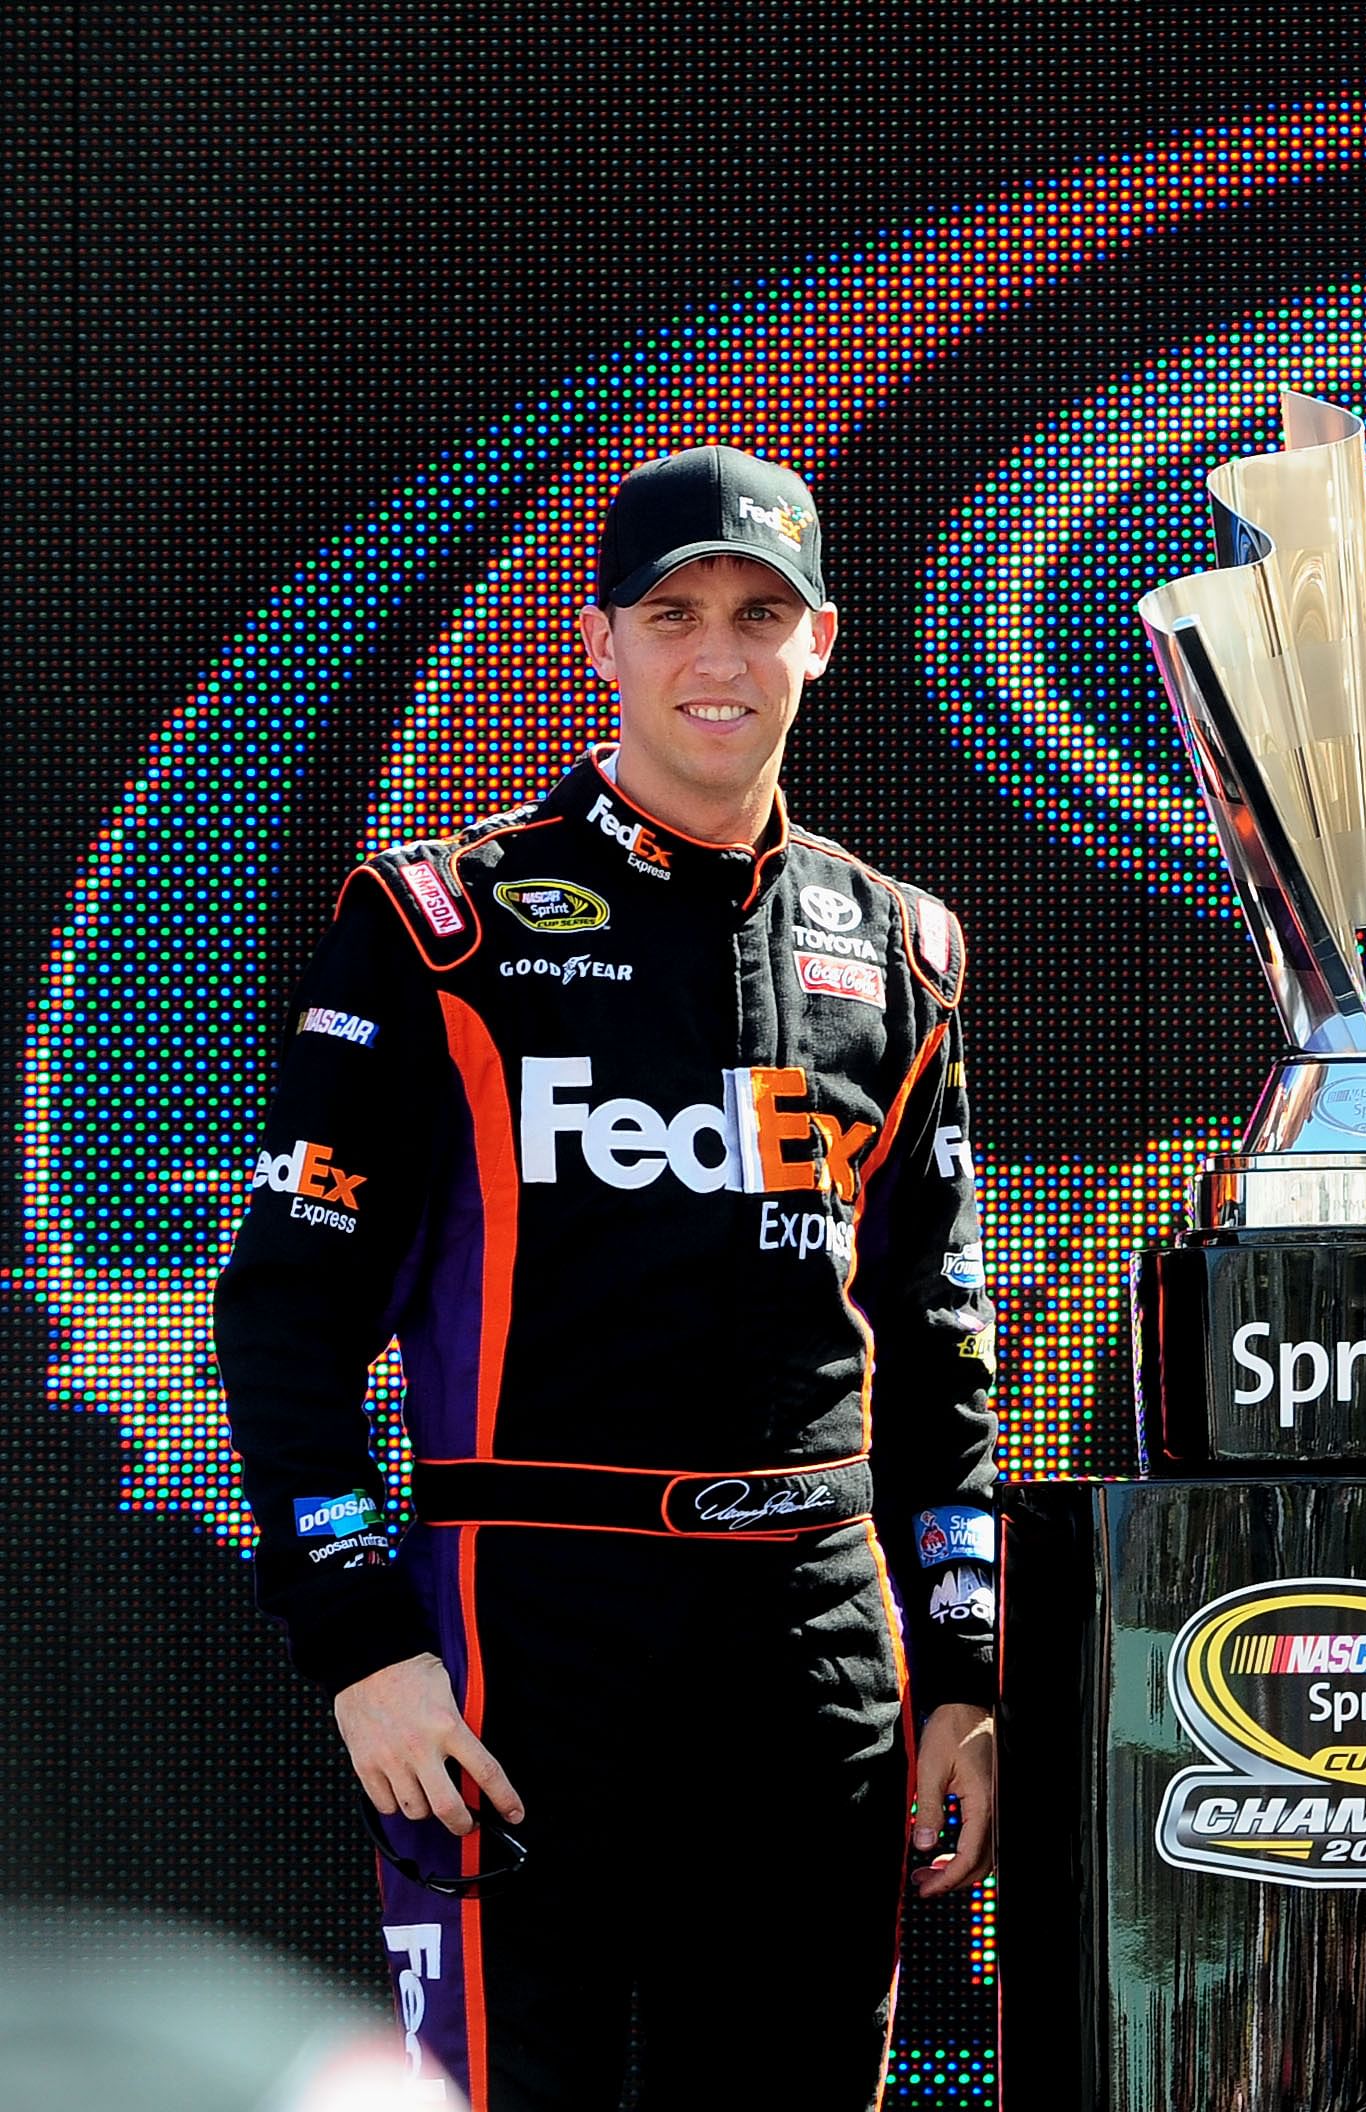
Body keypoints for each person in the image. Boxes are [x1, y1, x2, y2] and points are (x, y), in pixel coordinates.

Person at [215, 445, 998, 2106]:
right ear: (601, 642)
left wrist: (964, 1676)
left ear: (823, 642)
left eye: (758, 615)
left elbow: (937, 1350)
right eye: (674, 614)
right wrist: (362, 1647)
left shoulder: (901, 949)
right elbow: (285, 1318)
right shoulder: (442, 928)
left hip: (814, 1645)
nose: (716, 657)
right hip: (524, 1631)